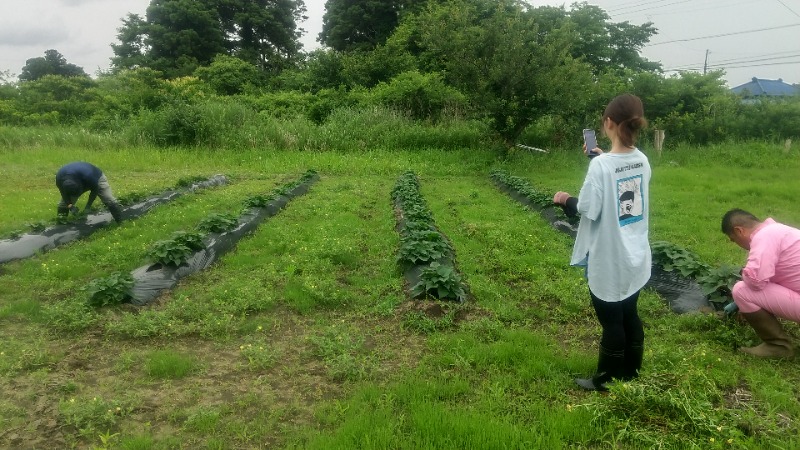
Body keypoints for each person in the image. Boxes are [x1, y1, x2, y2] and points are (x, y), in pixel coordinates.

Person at [552, 93, 651, 391]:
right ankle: (631, 370)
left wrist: (565, 199)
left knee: (611, 320)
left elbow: (588, 208)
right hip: (635, 255)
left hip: (610, 257)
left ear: (608, 123)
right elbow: (620, 178)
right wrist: (599, 155)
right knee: (629, 312)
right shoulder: (641, 159)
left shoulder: (601, 167)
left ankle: (606, 379)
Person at [721, 209, 800, 358]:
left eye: (733, 239)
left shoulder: (764, 236)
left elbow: (755, 280)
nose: (736, 244)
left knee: (741, 290)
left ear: (739, 231)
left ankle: (778, 346)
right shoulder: (781, 231)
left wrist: (743, 303)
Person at [56, 162, 124, 223]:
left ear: (80, 186)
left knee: (108, 198)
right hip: (77, 180)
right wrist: (70, 205)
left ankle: (120, 222)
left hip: (97, 178)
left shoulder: (88, 175)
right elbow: (63, 193)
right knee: (63, 205)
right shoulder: (59, 179)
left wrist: (88, 207)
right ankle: (60, 224)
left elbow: (95, 190)